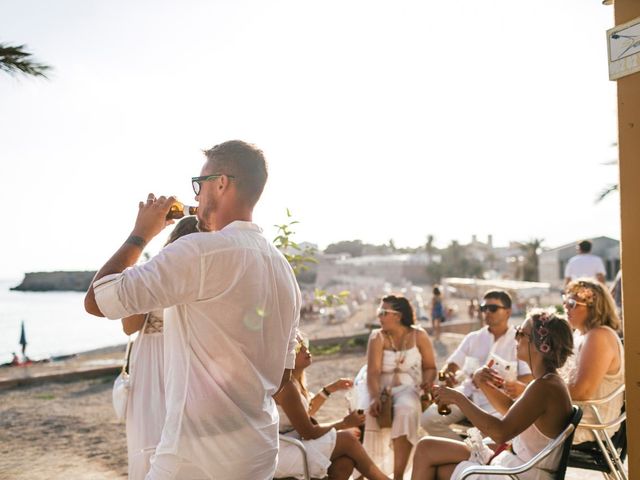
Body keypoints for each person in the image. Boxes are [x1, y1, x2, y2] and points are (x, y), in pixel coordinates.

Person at [84, 140, 301, 480]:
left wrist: (142, 233)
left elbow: (97, 300)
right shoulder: (282, 269)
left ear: (221, 183)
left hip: (195, 456)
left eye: (199, 185)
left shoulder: (199, 251)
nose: (196, 195)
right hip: (257, 449)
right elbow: (282, 378)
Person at [411, 311, 574, 480]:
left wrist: (458, 399)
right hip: (515, 465)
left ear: (540, 344)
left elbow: (500, 433)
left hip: (518, 473)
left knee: (430, 459)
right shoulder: (548, 383)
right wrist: (483, 383)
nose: (516, 338)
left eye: (520, 333)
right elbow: (511, 410)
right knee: (427, 448)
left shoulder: (544, 387)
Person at [121, 216, 198, 480]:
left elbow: (129, 326)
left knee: (153, 432)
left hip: (158, 359)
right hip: (186, 359)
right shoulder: (207, 273)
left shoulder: (154, 272)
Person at [274, 333, 390, 480]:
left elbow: (305, 412)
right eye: (297, 348)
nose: (304, 349)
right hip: (284, 453)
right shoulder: (286, 386)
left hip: (295, 443)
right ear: (285, 356)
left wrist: (330, 389)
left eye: (304, 343)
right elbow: (309, 432)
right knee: (347, 439)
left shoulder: (295, 382)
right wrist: (345, 423)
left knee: (344, 463)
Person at [421, 290, 533, 441]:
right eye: (483, 308)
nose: (487, 312)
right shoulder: (473, 338)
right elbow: (451, 365)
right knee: (428, 419)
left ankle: (473, 454)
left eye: (492, 308)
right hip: (467, 394)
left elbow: (527, 378)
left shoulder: (518, 341)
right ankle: (469, 452)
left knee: (492, 436)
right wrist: (447, 374)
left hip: (497, 403)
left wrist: (514, 385)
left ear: (508, 312)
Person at [363, 294, 437, 479]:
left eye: (383, 312)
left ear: (398, 315)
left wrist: (427, 382)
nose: (379, 316)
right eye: (378, 312)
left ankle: (398, 475)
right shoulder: (377, 337)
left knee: (406, 409)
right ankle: (370, 472)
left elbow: (430, 367)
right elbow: (373, 372)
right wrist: (374, 397)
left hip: (409, 387)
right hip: (379, 386)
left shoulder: (419, 335)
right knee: (369, 412)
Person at [562, 278, 624, 444]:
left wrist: (540, 391)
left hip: (590, 425)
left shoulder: (599, 336)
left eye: (572, 304)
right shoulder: (580, 335)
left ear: (593, 308)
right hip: (576, 418)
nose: (566, 307)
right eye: (565, 301)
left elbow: (582, 392)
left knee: (517, 421)